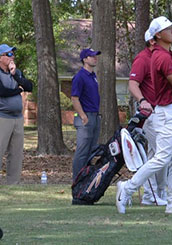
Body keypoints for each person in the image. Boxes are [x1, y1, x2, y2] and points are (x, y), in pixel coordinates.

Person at [116, 17, 172, 214]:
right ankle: (128, 188)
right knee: (162, 158)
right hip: (167, 113)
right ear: (157, 35)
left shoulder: (166, 54)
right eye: (168, 28)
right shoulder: (162, 57)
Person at [0, 44, 33, 185]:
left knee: (16, 153)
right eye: (9, 54)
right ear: (0, 58)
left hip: (17, 118)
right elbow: (2, 92)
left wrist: (15, 75)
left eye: (13, 54)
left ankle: (13, 183)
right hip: (1, 117)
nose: (13, 57)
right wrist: (18, 90)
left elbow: (29, 86)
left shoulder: (16, 73)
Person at [127, 31, 167, 206]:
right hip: (150, 115)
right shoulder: (143, 58)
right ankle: (150, 195)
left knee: (161, 153)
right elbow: (132, 83)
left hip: (164, 114)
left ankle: (159, 194)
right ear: (152, 40)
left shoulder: (161, 58)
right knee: (161, 153)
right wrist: (142, 101)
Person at [71, 48, 101, 201]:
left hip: (95, 116)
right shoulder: (80, 77)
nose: (95, 58)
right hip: (85, 117)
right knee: (82, 151)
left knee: (91, 150)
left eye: (95, 56)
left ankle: (86, 181)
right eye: (92, 56)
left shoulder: (93, 76)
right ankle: (76, 182)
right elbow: (74, 98)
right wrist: (83, 116)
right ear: (84, 59)